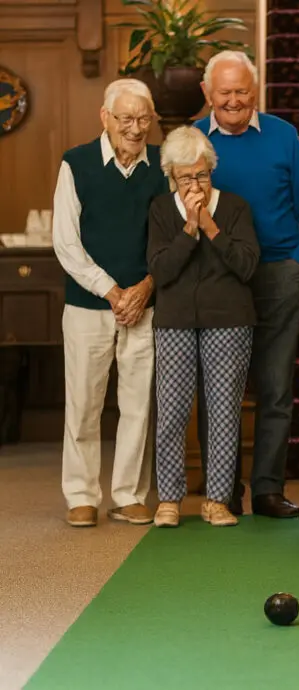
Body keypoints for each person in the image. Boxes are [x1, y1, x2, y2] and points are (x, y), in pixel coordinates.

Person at [193, 50, 299, 518]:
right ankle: (222, 490)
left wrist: (296, 263)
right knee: (219, 391)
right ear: (207, 94)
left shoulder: (283, 136)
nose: (233, 100)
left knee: (274, 388)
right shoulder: (189, 142)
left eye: (242, 92)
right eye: (224, 92)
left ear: (255, 93)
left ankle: (269, 488)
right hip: (217, 280)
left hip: (276, 274)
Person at [51, 78, 168, 528]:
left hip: (145, 303)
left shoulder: (161, 164)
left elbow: (173, 238)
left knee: (138, 404)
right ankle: (81, 494)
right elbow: (65, 242)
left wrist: (144, 288)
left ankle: (128, 495)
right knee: (83, 403)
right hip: (87, 306)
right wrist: (113, 291)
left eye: (143, 119)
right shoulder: (76, 163)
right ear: (105, 118)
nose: (135, 129)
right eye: (125, 119)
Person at [147, 126, 260, 528]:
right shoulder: (161, 210)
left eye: (201, 174)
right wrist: (189, 230)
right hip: (175, 322)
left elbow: (247, 266)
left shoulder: (235, 208)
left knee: (224, 412)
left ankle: (216, 500)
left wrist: (210, 226)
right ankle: (170, 501)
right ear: (171, 177)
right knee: (173, 411)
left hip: (228, 321)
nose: (193, 184)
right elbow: (160, 270)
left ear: (211, 169)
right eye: (184, 177)